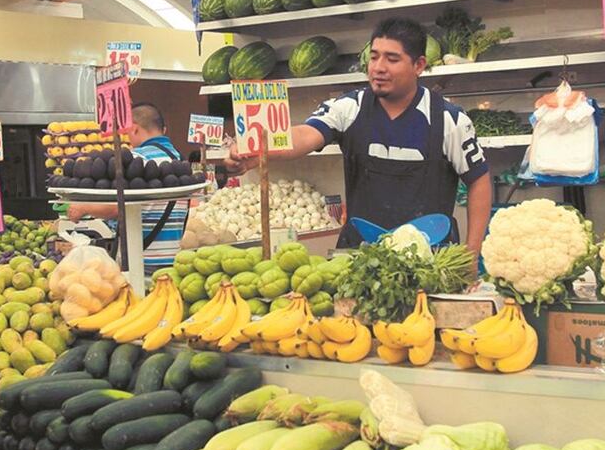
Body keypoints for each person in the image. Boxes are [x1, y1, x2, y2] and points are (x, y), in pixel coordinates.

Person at [226, 17, 492, 256]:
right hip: (360, 255)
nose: (378, 67)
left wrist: (471, 252)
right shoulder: (348, 107)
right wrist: (258, 150)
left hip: (429, 255)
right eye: (374, 56)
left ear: (419, 65)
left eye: (392, 59)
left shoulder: (449, 120)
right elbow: (306, 134)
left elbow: (478, 180)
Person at [67, 102, 187, 275]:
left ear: (135, 129)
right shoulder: (179, 160)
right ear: (163, 130)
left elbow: (118, 206)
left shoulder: (137, 159)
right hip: (174, 259)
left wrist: (83, 208)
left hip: (141, 261)